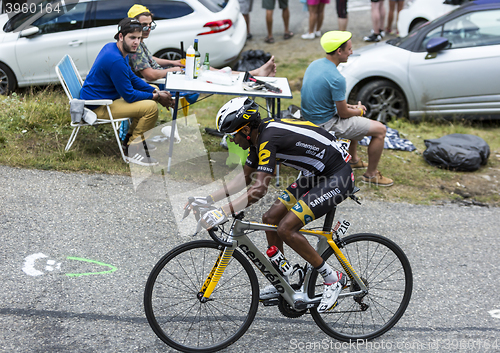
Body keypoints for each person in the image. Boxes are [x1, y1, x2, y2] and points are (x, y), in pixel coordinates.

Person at [195, 96, 353, 312]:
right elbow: (243, 178)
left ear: (245, 130)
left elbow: (259, 189)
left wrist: (222, 211)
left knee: (286, 227)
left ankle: (332, 278)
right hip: (314, 174)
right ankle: (284, 280)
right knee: (270, 219)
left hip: (337, 176)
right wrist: (208, 200)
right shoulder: (257, 138)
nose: (230, 141)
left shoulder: (269, 138)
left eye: (232, 135)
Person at [300, 31, 393, 186]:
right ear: (339, 51)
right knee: (380, 130)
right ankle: (371, 175)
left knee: (355, 118)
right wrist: (359, 111)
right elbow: (343, 113)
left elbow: (328, 100)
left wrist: (352, 108)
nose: (351, 52)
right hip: (325, 125)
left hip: (310, 118)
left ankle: (353, 160)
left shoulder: (315, 64)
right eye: (349, 49)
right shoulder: (337, 78)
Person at [80, 18, 175, 167]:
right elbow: (129, 95)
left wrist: (154, 91)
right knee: (150, 108)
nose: (136, 42)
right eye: (132, 38)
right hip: (96, 106)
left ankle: (130, 141)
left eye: (138, 38)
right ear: (120, 36)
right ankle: (133, 150)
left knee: (152, 92)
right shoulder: (115, 60)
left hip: (104, 99)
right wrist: (157, 97)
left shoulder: (113, 48)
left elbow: (131, 77)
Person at [127, 4, 277, 80]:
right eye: (143, 25)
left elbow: (149, 59)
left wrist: (176, 62)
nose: (148, 29)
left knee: (205, 68)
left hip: (167, 75)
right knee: (209, 72)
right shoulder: (135, 44)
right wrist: (175, 70)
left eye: (150, 25)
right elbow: (150, 75)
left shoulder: (139, 41)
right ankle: (251, 75)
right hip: (160, 83)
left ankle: (252, 74)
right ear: (134, 25)